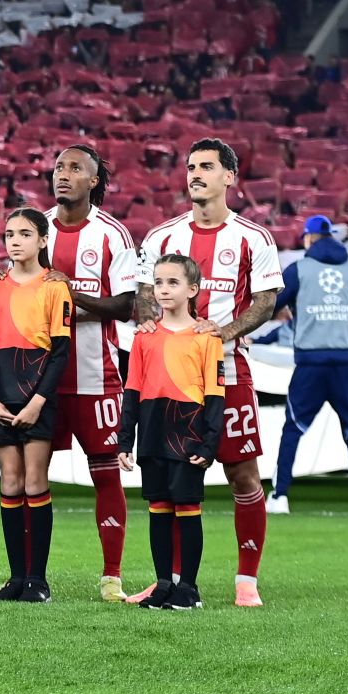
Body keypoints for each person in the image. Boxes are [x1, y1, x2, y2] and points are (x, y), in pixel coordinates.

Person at [134, 138, 281, 607]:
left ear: (229, 177)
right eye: (191, 166)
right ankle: (170, 580)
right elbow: (143, 295)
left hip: (228, 372)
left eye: (207, 166)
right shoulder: (161, 237)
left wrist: (223, 332)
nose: (195, 174)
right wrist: (150, 323)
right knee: (172, 478)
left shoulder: (253, 238)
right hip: (172, 377)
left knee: (243, 474)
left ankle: (246, 579)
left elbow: (266, 302)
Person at [44, 144, 138, 602]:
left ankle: (112, 576)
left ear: (94, 181)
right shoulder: (36, 226)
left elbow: (124, 305)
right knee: (30, 477)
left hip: (96, 375)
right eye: (59, 167)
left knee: (106, 474)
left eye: (75, 168)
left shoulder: (112, 235)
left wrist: (70, 296)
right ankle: (29, 577)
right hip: (39, 378)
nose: (63, 174)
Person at [0, 208, 72, 603]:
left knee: (35, 482)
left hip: (37, 397)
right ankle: (16, 578)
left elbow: (60, 353)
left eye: (25, 234)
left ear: (43, 240)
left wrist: (38, 402)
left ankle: (37, 580)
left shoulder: (54, 287)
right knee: (10, 483)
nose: (15, 241)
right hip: (0, 396)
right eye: (10, 234)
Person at [117, 253, 225, 611]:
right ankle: (164, 583)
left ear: (192, 289)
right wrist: (125, 439)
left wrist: (210, 444)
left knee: (187, 506)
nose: (163, 289)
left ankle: (189, 588)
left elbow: (215, 395)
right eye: (159, 282)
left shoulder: (207, 338)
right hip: (153, 431)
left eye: (173, 282)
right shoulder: (144, 338)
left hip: (188, 431)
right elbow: (132, 390)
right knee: (158, 507)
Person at [261, 214, 348, 516]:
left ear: (309, 238)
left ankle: (280, 496)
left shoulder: (299, 269)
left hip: (309, 364)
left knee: (293, 429)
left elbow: (271, 306)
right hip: (344, 363)